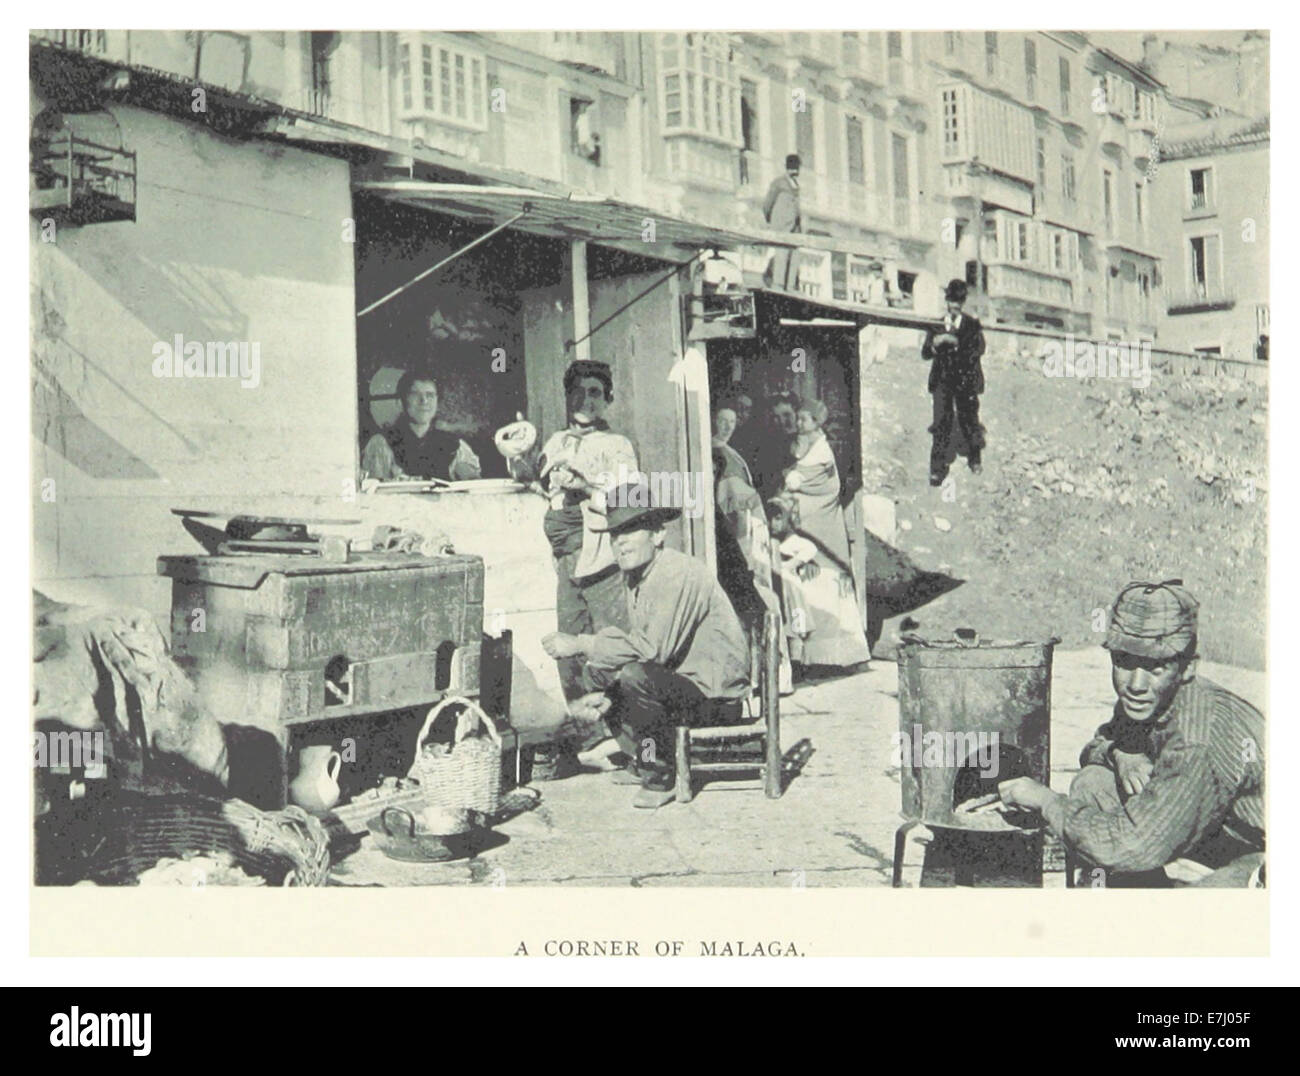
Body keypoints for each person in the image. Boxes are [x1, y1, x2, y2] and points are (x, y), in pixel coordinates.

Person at [998, 580, 1265, 888]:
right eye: (1124, 662)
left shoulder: (1196, 739)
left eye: (1155, 667)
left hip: (1263, 854)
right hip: (1217, 832)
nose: (1136, 684)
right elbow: (1101, 742)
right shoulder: (1155, 700)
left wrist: (1046, 801)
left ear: (1188, 668)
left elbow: (1129, 845)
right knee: (1095, 781)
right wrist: (1123, 753)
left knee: (1188, 913)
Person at [541, 480, 750, 809]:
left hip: (716, 698)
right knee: (602, 671)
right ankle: (642, 757)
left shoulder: (676, 572)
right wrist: (607, 689)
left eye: (631, 530)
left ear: (658, 534)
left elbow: (652, 651)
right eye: (615, 534)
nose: (620, 542)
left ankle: (660, 774)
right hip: (683, 685)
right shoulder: (638, 575)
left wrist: (580, 643)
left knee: (635, 675)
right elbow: (636, 649)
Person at [503, 361, 638, 710]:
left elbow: (628, 500)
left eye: (595, 392)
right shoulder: (556, 441)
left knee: (609, 638)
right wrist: (519, 458)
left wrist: (585, 485)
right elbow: (538, 485)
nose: (585, 400)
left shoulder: (617, 445)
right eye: (577, 392)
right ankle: (586, 726)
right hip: (566, 558)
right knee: (568, 640)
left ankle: (623, 721)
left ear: (608, 399)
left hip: (603, 556)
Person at [777, 399, 871, 669]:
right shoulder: (803, 444)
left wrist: (792, 481)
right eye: (798, 418)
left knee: (825, 589)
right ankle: (812, 658)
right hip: (807, 529)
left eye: (804, 419)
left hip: (822, 528)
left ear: (816, 423)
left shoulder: (821, 451)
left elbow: (820, 486)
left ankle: (836, 657)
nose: (799, 423)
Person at [361, 370, 481, 482]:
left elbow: (473, 485)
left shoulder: (455, 446)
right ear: (402, 401)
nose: (424, 401)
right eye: (415, 394)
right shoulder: (381, 444)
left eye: (430, 395)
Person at [921, 279, 986, 486]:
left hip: (965, 380)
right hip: (942, 381)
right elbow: (925, 353)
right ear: (946, 301)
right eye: (951, 301)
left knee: (969, 419)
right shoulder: (937, 324)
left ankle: (975, 458)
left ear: (963, 302)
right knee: (941, 422)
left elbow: (979, 349)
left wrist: (956, 343)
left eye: (958, 301)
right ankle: (937, 469)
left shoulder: (972, 324)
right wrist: (935, 344)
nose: (955, 305)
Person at [762, 154, 802, 290]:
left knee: (794, 256)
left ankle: (790, 286)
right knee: (781, 254)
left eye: (796, 167)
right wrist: (773, 221)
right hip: (782, 226)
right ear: (787, 167)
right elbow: (767, 204)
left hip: (795, 228)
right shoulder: (778, 183)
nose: (795, 170)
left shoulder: (796, 185)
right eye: (792, 167)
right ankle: (778, 285)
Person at [712, 406, 753, 487]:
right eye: (723, 421)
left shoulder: (729, 449)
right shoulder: (713, 449)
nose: (729, 427)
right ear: (714, 421)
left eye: (732, 422)